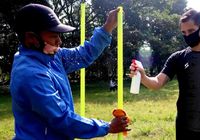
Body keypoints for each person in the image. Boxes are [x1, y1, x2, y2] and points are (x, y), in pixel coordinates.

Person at [10, 3, 130, 140]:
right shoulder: (31, 74)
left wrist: (107, 27)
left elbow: (83, 54)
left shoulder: (52, 57)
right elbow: (62, 118)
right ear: (31, 38)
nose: (59, 41)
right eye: (53, 36)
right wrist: (107, 127)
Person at [129, 8, 200, 140]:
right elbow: (157, 83)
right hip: (185, 128)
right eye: (184, 32)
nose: (187, 35)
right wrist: (143, 76)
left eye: (191, 31)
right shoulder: (177, 58)